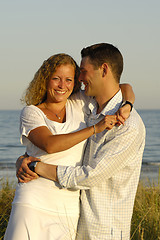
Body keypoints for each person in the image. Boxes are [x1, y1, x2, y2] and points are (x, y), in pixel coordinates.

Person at [17, 43, 145, 240]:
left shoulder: (126, 125)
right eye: (56, 78)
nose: (79, 79)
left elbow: (90, 175)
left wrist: (36, 167)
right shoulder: (91, 108)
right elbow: (50, 143)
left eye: (82, 72)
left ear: (103, 70)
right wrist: (23, 159)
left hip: (104, 229)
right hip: (75, 220)